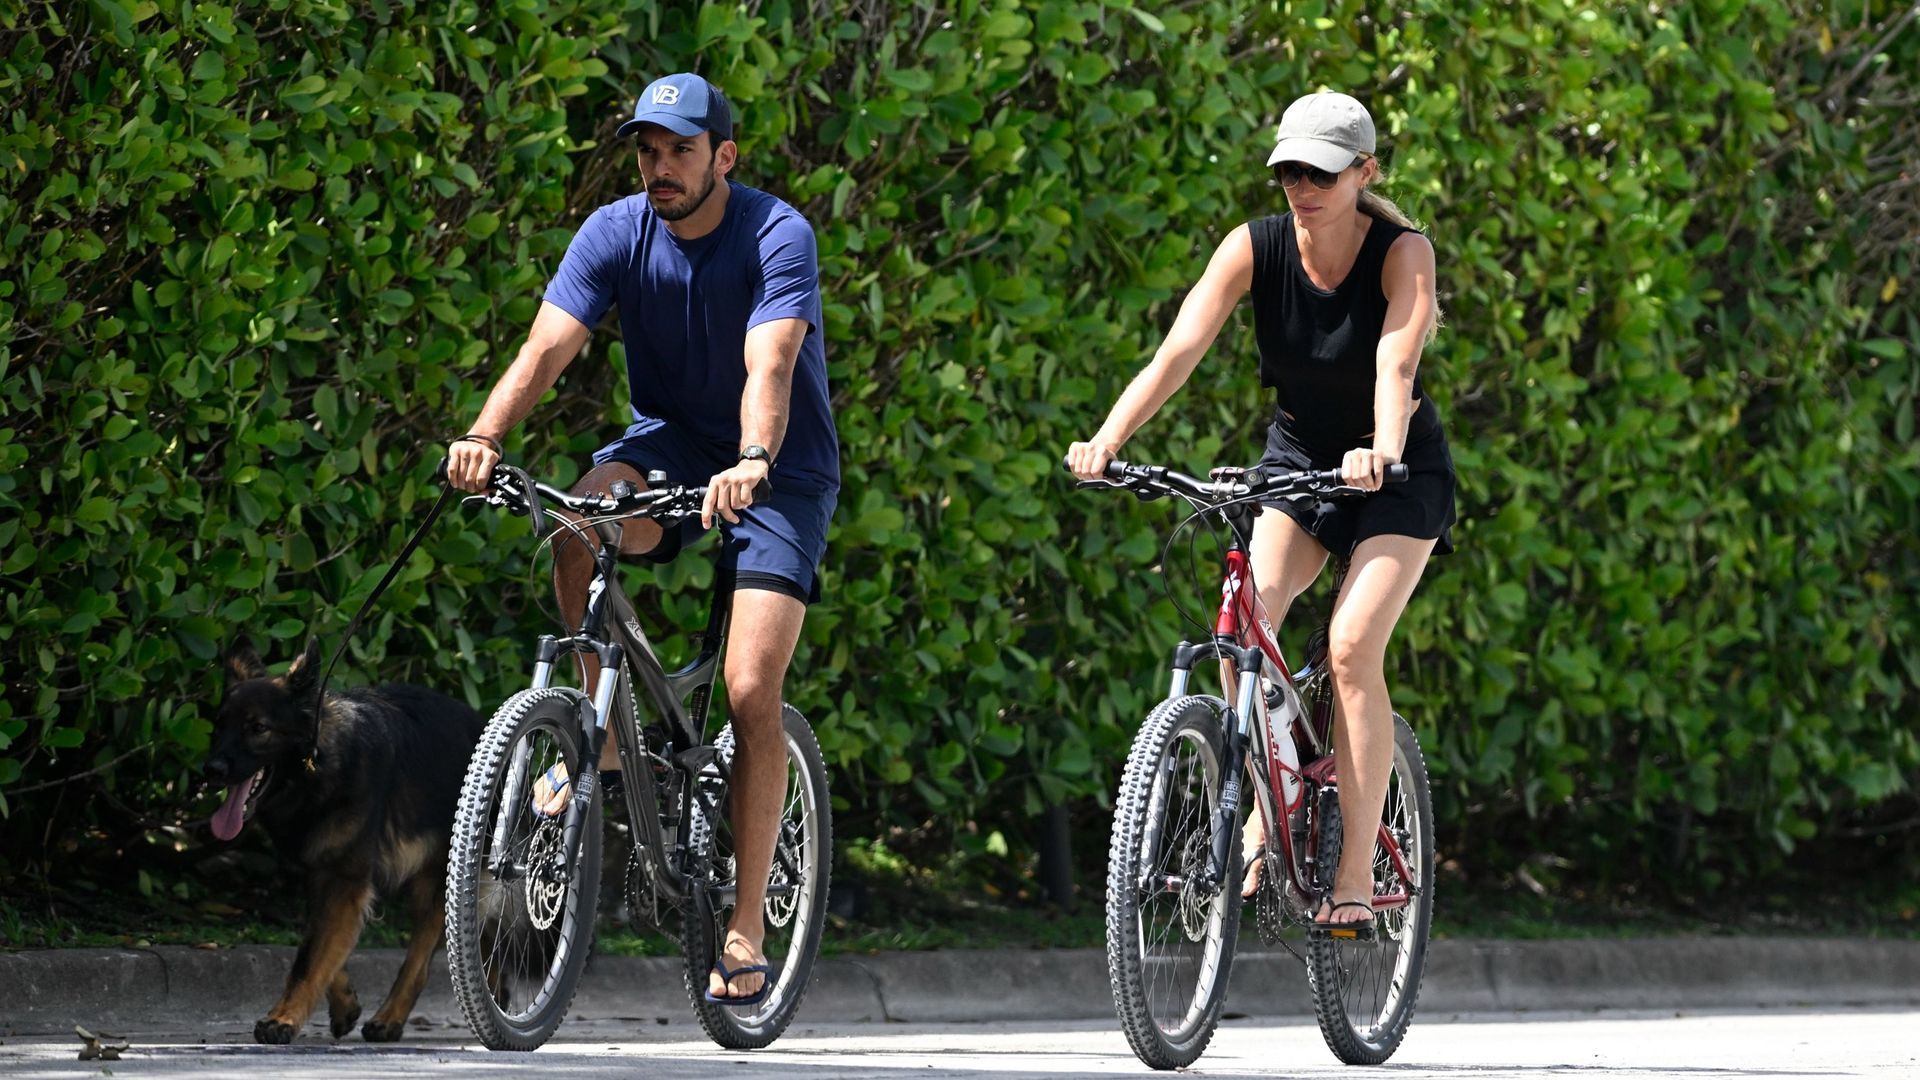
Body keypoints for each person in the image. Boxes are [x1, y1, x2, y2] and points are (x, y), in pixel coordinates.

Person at [445, 72, 839, 1002]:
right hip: (668, 447)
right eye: (648, 151)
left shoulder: (777, 232)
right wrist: (484, 436)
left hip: (776, 471)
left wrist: (750, 457)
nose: (660, 168)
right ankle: (603, 741)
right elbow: (547, 346)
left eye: (681, 151)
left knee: (749, 688)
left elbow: (770, 359)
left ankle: (744, 930)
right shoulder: (616, 231)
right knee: (576, 524)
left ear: (723, 157)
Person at [1065, 91, 1454, 930]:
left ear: (1364, 172)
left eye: (1318, 171)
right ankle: (1259, 815)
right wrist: (1104, 440)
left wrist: (1381, 449)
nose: (1300, 186)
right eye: (1287, 170)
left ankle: (1353, 873)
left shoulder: (1402, 253)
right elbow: (1178, 350)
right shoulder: (1255, 247)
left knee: (1351, 648)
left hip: (1395, 472)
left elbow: (1396, 365)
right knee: (1243, 628)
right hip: (1302, 464)